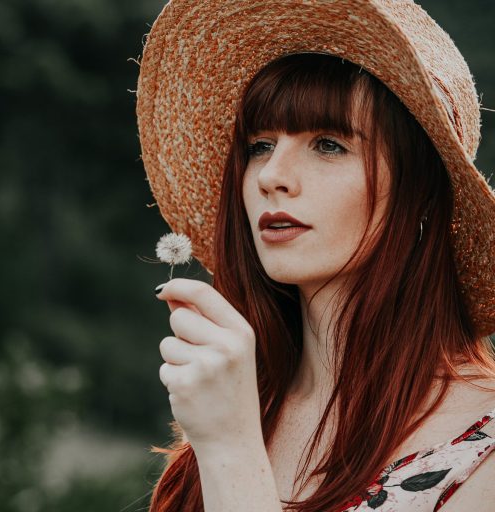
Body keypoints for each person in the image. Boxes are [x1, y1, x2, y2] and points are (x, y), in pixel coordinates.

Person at [135, 1, 495, 511]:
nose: (269, 175)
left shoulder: (481, 452)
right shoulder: (237, 412)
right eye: (259, 145)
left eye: (328, 144)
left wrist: (233, 452)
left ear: (422, 195)